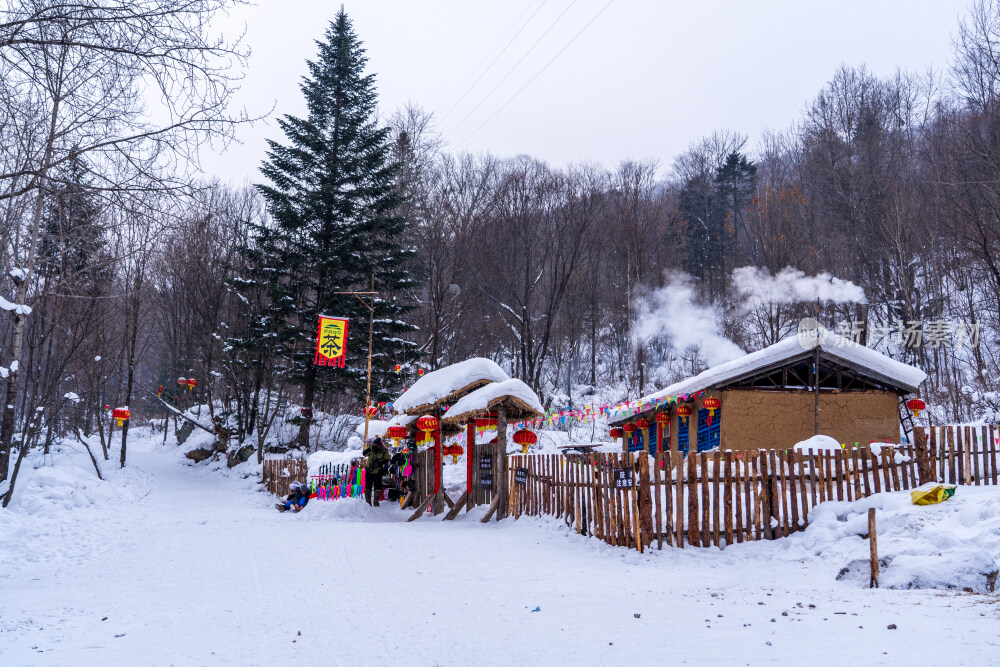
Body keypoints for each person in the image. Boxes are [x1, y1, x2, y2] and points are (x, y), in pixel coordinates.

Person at [363, 436, 390, 506]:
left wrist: (378, 462)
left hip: (378, 471)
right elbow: (364, 454)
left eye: (376, 445)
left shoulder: (384, 450)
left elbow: (386, 459)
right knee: (367, 486)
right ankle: (368, 500)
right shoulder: (371, 448)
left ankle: (376, 500)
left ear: (379, 445)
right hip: (369, 470)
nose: (375, 446)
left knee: (377, 487)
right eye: (374, 445)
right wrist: (370, 448)